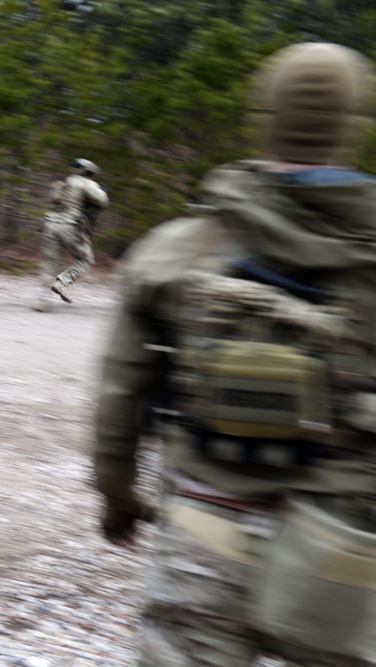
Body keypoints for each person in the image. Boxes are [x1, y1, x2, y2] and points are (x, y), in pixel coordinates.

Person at [92, 42, 376, 666]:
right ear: (354, 131)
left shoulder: (180, 248)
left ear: (264, 120)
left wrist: (118, 497)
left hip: (205, 533)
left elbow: (120, 395)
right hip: (345, 549)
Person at [33, 158, 109, 311]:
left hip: (50, 224)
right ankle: (62, 282)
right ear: (90, 172)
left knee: (50, 263)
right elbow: (102, 201)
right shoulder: (86, 183)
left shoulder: (64, 183)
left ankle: (42, 301)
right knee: (85, 260)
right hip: (70, 226)